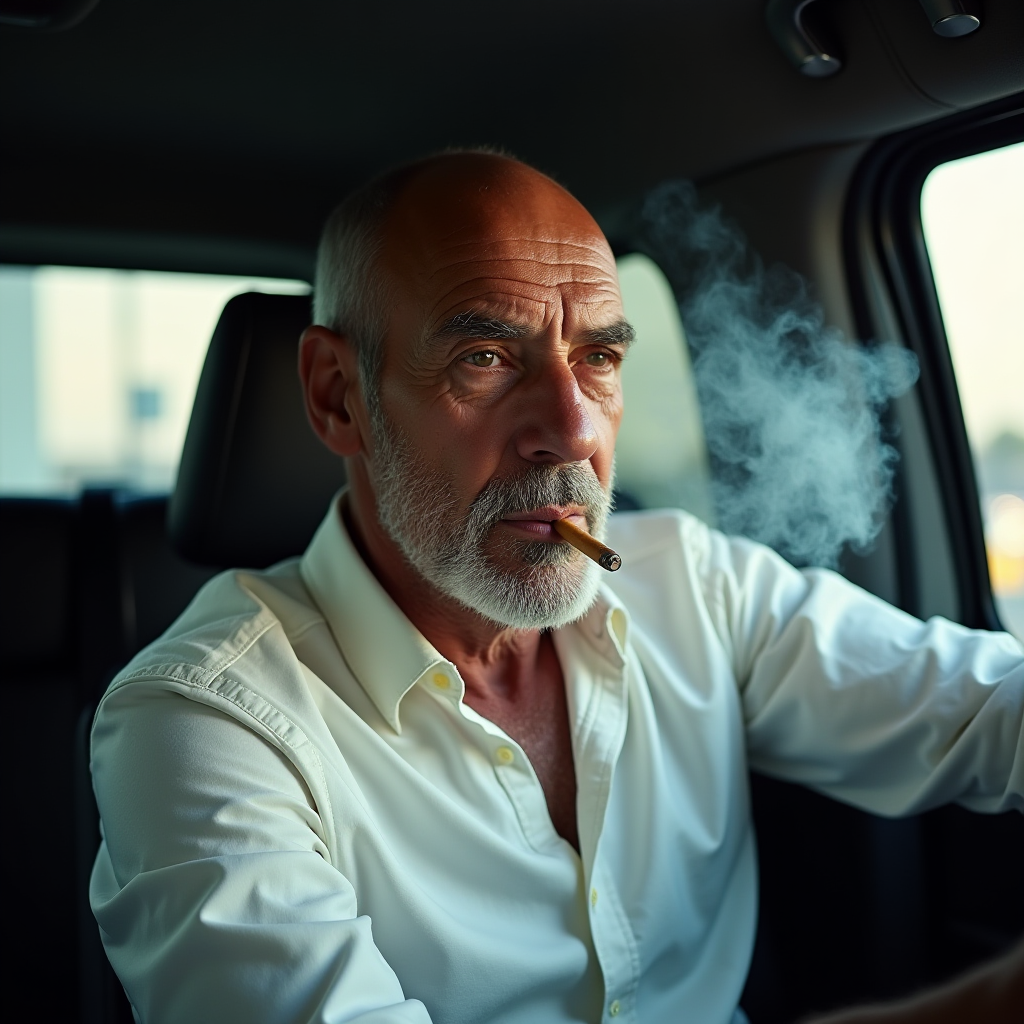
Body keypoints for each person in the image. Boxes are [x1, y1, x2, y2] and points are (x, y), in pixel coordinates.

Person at [89, 150, 1024, 1024]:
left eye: (600, 358)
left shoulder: (690, 585)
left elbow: (988, 710)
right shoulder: (204, 722)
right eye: (486, 358)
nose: (573, 430)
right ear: (339, 394)